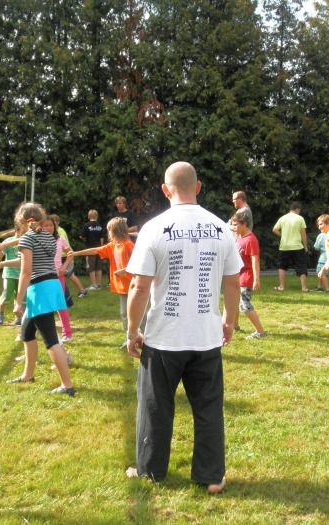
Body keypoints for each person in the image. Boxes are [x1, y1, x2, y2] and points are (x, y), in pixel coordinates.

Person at [124, 161, 242, 494]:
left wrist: (132, 331)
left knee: (155, 406)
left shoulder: (153, 228)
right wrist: (229, 321)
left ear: (165, 190)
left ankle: (150, 470)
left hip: (163, 338)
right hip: (206, 337)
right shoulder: (222, 229)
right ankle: (212, 476)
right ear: (198, 186)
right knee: (208, 407)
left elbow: (139, 287)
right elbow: (233, 282)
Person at [0, 202, 76, 395]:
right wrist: (0, 264)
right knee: (27, 333)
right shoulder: (48, 236)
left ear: (24, 221)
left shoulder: (28, 239)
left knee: (51, 340)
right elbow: (26, 261)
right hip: (51, 285)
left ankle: (67, 385)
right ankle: (28, 375)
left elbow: (26, 271)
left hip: (40, 290)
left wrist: (18, 301)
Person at [70, 217, 136, 347]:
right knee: (124, 314)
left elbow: (139, 263)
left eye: (109, 230)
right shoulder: (113, 245)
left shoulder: (128, 245)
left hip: (133, 286)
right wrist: (76, 253)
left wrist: (124, 270)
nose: (108, 232)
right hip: (122, 288)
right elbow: (95, 250)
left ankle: (140, 337)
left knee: (134, 314)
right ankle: (129, 339)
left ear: (116, 230)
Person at [230, 209, 266, 339]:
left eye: (235, 225)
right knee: (234, 302)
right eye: (232, 224)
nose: (233, 227)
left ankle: (260, 332)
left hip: (246, 277)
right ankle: (235, 326)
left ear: (244, 224)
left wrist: (256, 279)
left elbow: (255, 260)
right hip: (238, 276)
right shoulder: (239, 237)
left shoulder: (251, 240)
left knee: (245, 305)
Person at [43, 216, 74, 344]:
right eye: (45, 225)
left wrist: (64, 267)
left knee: (60, 305)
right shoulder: (37, 240)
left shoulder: (60, 239)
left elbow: (70, 254)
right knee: (45, 305)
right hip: (43, 277)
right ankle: (44, 331)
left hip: (57, 276)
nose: (48, 228)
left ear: (54, 226)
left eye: (50, 225)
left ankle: (67, 333)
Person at [272, 201, 309, 292]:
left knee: (282, 266)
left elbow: (274, 229)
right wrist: (305, 246)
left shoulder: (283, 218)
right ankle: (304, 288)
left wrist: (282, 236)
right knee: (301, 266)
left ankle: (281, 287)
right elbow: (303, 234)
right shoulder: (300, 218)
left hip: (284, 246)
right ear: (297, 209)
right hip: (297, 246)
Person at [0, 225, 24, 326]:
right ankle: (0, 314)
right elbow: (0, 255)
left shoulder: (26, 242)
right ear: (16, 231)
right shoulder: (8, 241)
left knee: (20, 296)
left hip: (22, 275)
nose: (24, 235)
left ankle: (18, 317)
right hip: (9, 274)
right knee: (6, 294)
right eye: (22, 232)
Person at [50, 214, 88, 298]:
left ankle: (82, 290)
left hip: (65, 257)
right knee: (65, 276)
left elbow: (62, 244)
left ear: (57, 222)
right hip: (61, 257)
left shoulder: (60, 231)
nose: (53, 224)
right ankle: (67, 298)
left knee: (70, 274)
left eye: (54, 222)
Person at [80, 209, 104, 291]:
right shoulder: (100, 226)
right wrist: (101, 247)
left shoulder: (86, 225)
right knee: (98, 267)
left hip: (90, 249)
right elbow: (102, 238)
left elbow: (82, 236)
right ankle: (99, 285)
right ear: (97, 216)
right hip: (99, 249)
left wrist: (84, 239)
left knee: (91, 267)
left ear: (88, 216)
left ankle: (94, 285)